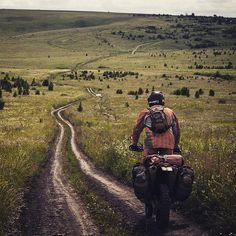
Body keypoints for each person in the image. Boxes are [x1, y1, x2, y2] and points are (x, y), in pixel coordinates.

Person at [130, 91, 180, 156]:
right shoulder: (169, 112)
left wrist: (134, 144)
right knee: (168, 163)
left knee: (148, 163)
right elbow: (177, 131)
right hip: (168, 145)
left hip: (151, 145)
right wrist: (176, 146)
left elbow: (137, 130)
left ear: (149, 101)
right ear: (162, 100)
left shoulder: (145, 112)